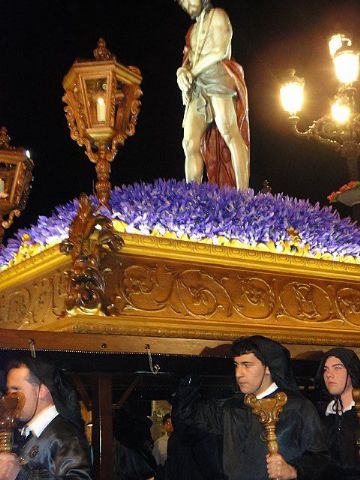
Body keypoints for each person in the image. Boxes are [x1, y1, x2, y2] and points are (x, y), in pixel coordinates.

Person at [172, 335, 329, 480]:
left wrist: (294, 470)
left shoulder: (298, 407)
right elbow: (186, 420)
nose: (238, 373)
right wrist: (189, 380)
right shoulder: (230, 408)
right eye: (236, 365)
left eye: (247, 365)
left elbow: (321, 459)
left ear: (268, 368)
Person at [175, 0, 250, 190]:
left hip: (218, 79)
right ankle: (193, 197)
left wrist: (191, 72)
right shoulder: (192, 31)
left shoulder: (218, 15)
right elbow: (188, 61)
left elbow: (220, 50)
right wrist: (181, 73)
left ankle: (243, 196)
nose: (187, 5)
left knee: (229, 132)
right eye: (183, 2)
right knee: (189, 142)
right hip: (197, 86)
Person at [0, 356, 92, 480]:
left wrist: (22, 475)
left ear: (42, 390)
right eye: (8, 391)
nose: (10, 398)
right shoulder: (33, 434)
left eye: (16, 389)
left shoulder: (65, 437)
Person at [316, 347, 360, 480]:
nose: (329, 374)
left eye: (337, 368)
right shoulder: (322, 415)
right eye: (325, 369)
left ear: (351, 372)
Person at [152, 413, 173, 478]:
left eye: (172, 423)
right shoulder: (159, 443)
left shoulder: (182, 441)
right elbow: (156, 462)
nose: (171, 425)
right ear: (164, 425)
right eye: (168, 423)